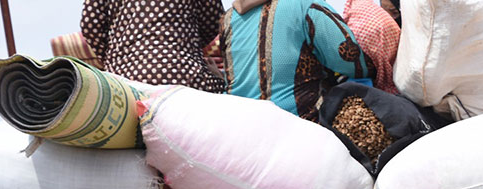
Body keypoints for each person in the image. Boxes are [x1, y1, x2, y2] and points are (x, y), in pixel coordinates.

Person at [220, 0, 372, 119]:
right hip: (297, 123)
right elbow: (352, 62)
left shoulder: (229, 18)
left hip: (240, 126)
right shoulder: (306, 6)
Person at [81, 0, 227, 91]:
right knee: (225, 89)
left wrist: (114, 58)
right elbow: (214, 20)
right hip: (186, 75)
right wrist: (189, 46)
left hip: (124, 80)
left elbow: (90, 25)